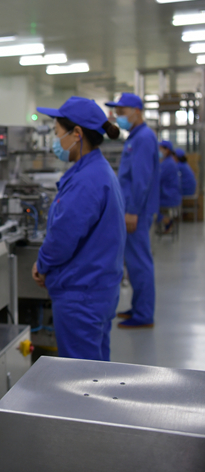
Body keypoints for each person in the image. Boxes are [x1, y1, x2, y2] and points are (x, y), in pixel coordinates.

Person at [31, 97, 125, 361]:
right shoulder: (97, 171)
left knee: (81, 375)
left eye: (57, 133)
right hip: (97, 289)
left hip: (81, 295)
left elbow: (63, 238)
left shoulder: (86, 181)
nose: (56, 141)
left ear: (77, 133)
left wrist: (42, 265)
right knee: (97, 369)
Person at [106, 93, 160, 329]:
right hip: (132, 208)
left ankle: (144, 314)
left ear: (137, 111)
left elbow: (141, 179)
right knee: (134, 261)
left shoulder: (144, 138)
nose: (119, 116)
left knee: (139, 262)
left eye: (122, 111)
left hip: (137, 210)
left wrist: (133, 211)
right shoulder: (135, 137)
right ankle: (138, 307)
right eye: (117, 112)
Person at [156, 140, 181, 231]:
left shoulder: (168, 164)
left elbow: (157, 179)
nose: (158, 151)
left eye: (160, 149)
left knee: (149, 205)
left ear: (167, 150)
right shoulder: (168, 162)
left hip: (169, 196)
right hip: (170, 194)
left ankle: (166, 221)